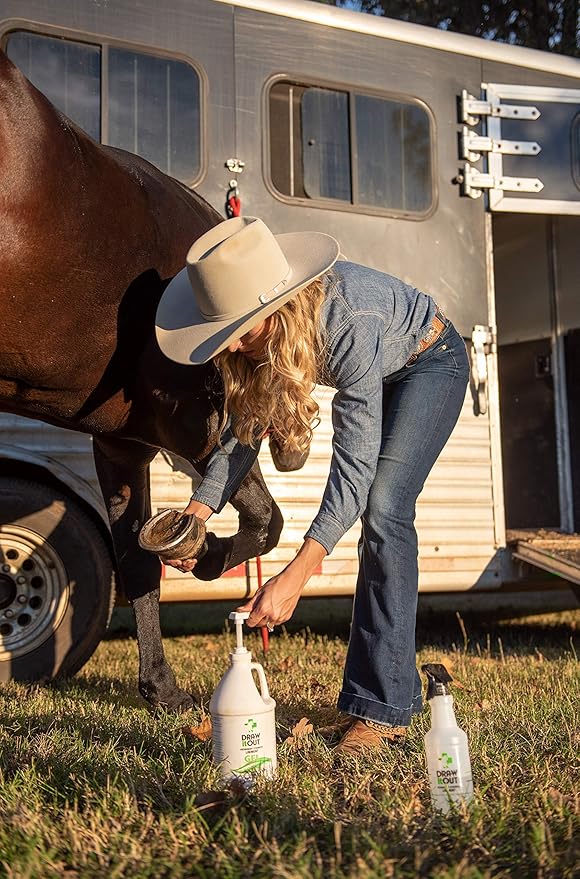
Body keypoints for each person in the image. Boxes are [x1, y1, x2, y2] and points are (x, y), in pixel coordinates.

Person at [155, 216, 470, 753]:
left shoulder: (346, 322)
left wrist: (297, 575)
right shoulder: (262, 343)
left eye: (242, 333)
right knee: (377, 503)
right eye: (225, 336)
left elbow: (353, 469)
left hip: (430, 363)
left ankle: (385, 710)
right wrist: (197, 514)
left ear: (276, 310)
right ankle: (374, 699)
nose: (232, 350)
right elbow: (243, 434)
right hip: (383, 363)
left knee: (386, 507)